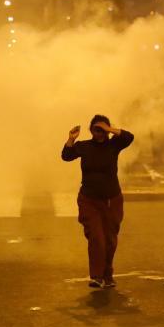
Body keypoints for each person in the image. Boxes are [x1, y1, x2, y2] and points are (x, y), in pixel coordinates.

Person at [61, 116, 134, 289]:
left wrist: (110, 129)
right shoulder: (84, 146)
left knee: (110, 240)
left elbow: (129, 137)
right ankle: (96, 276)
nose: (99, 133)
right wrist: (71, 138)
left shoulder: (114, 145)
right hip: (89, 199)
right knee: (96, 237)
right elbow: (66, 155)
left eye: (102, 129)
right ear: (90, 130)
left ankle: (107, 274)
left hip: (112, 199)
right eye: (96, 129)